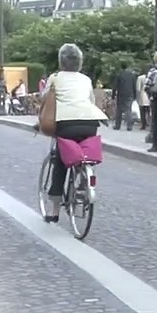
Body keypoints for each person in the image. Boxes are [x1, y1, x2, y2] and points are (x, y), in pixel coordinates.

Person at [38, 43, 108, 222]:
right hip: (90, 123)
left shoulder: (55, 77)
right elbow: (91, 100)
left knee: (60, 161)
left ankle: (53, 211)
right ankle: (84, 180)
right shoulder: (86, 79)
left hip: (66, 123)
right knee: (84, 154)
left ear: (61, 61)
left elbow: (43, 98)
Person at [112, 63, 138, 131]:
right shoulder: (132, 75)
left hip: (121, 94)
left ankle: (117, 125)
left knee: (119, 110)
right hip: (130, 94)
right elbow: (134, 85)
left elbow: (115, 86)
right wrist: (135, 95)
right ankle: (129, 126)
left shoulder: (119, 74)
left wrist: (113, 95)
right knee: (128, 110)